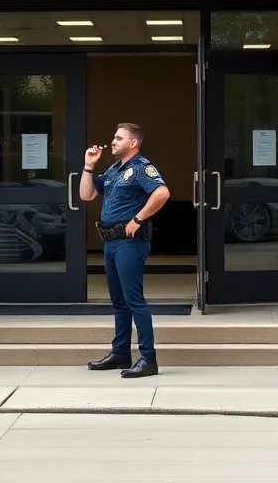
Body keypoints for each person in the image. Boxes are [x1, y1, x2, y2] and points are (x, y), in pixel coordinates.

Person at [79, 122, 171, 378]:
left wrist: (139, 218)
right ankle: (120, 353)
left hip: (130, 243)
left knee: (134, 301)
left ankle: (148, 359)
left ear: (133, 143)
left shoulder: (142, 168)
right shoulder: (113, 170)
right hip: (111, 242)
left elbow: (162, 193)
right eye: (114, 137)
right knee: (119, 302)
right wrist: (89, 165)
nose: (113, 142)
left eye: (118, 138)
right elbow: (86, 194)